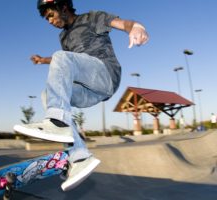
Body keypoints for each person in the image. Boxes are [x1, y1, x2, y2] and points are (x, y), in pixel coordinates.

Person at [14, 0, 149, 191]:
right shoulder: (64, 36)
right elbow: (66, 63)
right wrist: (43, 60)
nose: (50, 22)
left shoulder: (91, 17)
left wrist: (135, 27)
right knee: (47, 95)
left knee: (61, 59)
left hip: (105, 74)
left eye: (51, 15)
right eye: (46, 19)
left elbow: (121, 23)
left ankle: (57, 123)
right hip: (90, 90)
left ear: (63, 7)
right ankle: (79, 156)